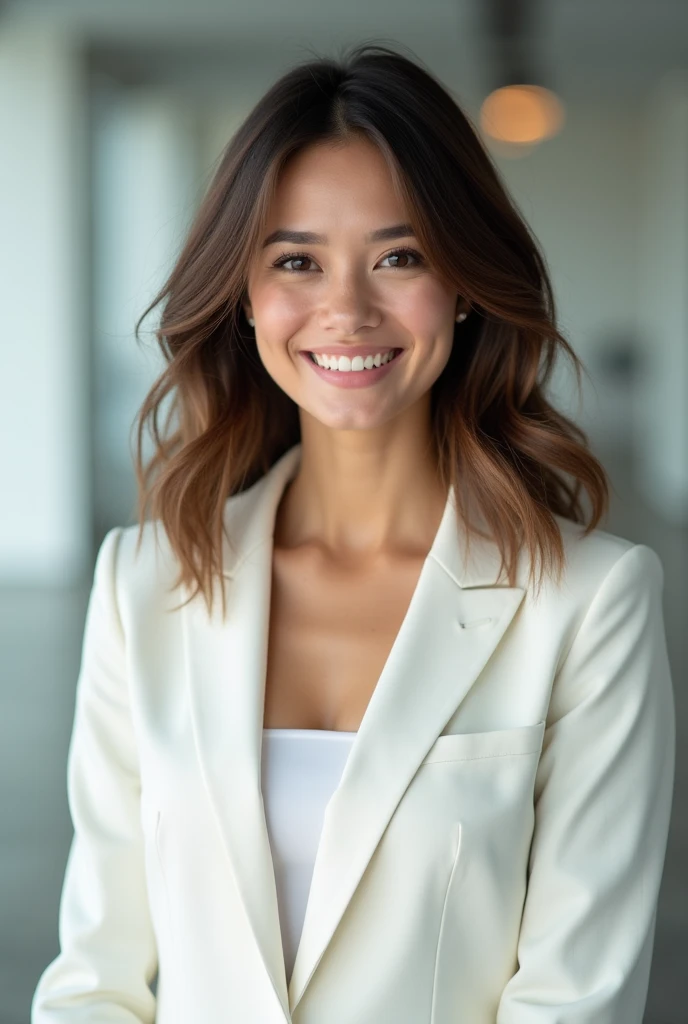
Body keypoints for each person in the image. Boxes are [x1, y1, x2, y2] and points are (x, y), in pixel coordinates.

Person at [32, 42, 675, 1024]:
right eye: (296, 260)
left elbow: (573, 998)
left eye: (399, 256)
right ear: (244, 296)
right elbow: (95, 977)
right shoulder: (145, 582)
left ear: (461, 283)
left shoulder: (589, 602)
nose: (346, 308)